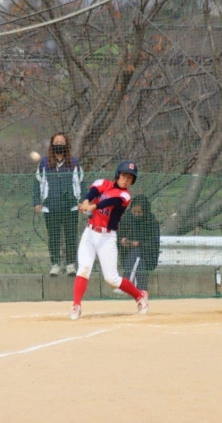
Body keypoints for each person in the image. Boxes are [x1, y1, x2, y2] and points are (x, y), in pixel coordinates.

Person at [69, 161, 149, 320]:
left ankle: (139, 295)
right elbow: (92, 192)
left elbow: (110, 202)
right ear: (118, 174)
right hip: (90, 233)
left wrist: (92, 207)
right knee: (84, 268)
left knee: (111, 279)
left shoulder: (125, 196)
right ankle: (76, 305)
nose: (126, 180)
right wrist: (86, 201)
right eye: (123, 176)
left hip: (107, 237)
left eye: (130, 178)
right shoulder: (102, 183)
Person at [33, 133, 84, 277]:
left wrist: (82, 200)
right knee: (54, 236)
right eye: (56, 142)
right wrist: (37, 202)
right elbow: (37, 183)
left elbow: (81, 182)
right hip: (51, 207)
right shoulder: (44, 163)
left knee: (71, 236)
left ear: (66, 144)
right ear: (52, 144)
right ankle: (55, 264)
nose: (59, 144)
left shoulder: (73, 162)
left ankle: (70, 264)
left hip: (70, 206)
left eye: (62, 142)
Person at [117, 195, 160, 291]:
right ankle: (142, 290)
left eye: (139, 213)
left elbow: (153, 244)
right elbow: (118, 237)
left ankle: (125, 281)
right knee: (136, 257)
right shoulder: (126, 218)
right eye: (134, 212)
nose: (136, 214)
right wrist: (123, 241)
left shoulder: (152, 222)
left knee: (137, 254)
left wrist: (138, 244)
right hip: (127, 256)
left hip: (148, 257)